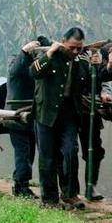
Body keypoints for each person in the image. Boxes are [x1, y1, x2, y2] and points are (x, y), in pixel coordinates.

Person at [30, 27, 91, 209]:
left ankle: (70, 194)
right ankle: (49, 199)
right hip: (46, 113)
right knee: (47, 157)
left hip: (69, 114)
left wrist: (96, 66)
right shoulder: (51, 56)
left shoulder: (80, 61)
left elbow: (88, 83)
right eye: (71, 47)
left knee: (70, 151)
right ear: (63, 41)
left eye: (78, 48)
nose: (74, 52)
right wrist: (49, 53)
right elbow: (34, 72)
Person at [6, 38, 48, 198]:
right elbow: (14, 71)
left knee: (30, 152)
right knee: (23, 152)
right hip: (16, 116)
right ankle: (20, 186)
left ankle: (21, 183)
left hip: (33, 117)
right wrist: (24, 51)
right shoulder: (16, 61)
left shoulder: (38, 66)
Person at [76, 44, 112, 201]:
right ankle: (69, 189)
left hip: (91, 113)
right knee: (68, 149)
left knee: (95, 150)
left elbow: (104, 81)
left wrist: (105, 92)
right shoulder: (84, 58)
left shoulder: (102, 64)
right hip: (75, 109)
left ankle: (91, 186)